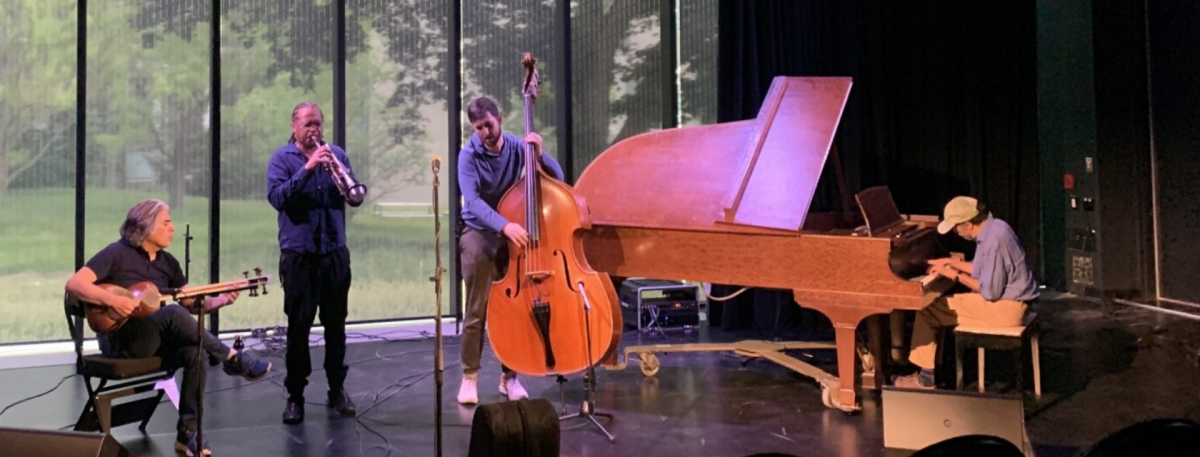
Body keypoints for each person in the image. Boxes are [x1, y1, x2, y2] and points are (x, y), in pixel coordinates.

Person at [65, 199, 271, 457]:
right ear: (146, 227)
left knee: (195, 351)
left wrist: (219, 300)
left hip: (157, 341)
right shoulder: (115, 254)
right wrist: (114, 300)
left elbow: (191, 304)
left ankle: (188, 433)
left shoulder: (169, 262)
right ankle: (232, 358)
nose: (172, 228)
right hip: (123, 341)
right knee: (172, 312)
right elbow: (75, 284)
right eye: (166, 222)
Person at [456, 96, 565, 404]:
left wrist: (540, 154)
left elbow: (557, 179)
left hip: (509, 230)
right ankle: (469, 376)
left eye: (488, 125)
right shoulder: (468, 156)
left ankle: (510, 377)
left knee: (515, 308)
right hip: (479, 231)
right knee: (477, 308)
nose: (485, 133)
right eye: (479, 128)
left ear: (499, 118)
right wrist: (505, 226)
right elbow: (473, 203)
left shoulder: (519, 147)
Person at [267, 102, 361, 424]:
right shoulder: (282, 159)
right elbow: (277, 199)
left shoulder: (336, 154)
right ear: (294, 126)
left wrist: (341, 177)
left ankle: (337, 389)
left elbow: (354, 193)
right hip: (300, 256)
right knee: (299, 329)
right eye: (308, 124)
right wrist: (307, 169)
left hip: (334, 252)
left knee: (336, 327)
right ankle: (295, 396)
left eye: (318, 124)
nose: (314, 130)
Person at [894, 196, 1040, 389]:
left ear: (969, 224)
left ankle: (925, 378)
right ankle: (934, 368)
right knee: (940, 305)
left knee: (928, 308)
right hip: (1013, 303)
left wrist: (953, 274)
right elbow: (982, 268)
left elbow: (990, 291)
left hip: (1007, 310)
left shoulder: (994, 240)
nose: (955, 232)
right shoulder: (996, 227)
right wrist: (951, 262)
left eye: (956, 227)